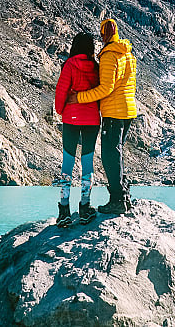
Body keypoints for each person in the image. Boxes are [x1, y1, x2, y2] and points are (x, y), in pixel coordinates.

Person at [69, 18, 137, 215]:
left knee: (109, 156)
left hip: (114, 113)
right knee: (117, 153)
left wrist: (79, 98)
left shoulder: (109, 56)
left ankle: (117, 200)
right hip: (128, 110)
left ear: (103, 34)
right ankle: (124, 197)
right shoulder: (128, 54)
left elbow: (105, 89)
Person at [53, 32, 101, 227]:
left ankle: (64, 209)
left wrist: (60, 110)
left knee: (68, 161)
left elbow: (61, 91)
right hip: (91, 118)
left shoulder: (69, 65)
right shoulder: (97, 67)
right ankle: (85, 207)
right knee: (87, 162)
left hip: (71, 117)